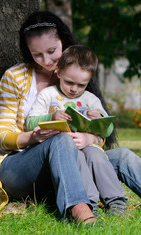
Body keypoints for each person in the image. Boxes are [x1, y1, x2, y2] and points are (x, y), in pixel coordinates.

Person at [0, 11, 141, 224]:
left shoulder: (77, 73)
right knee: (61, 141)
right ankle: (79, 209)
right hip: (19, 169)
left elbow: (97, 129)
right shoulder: (15, 77)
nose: (47, 60)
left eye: (52, 51)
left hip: (70, 165)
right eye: (37, 54)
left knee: (122, 156)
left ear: (63, 42)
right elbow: (2, 137)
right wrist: (34, 136)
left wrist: (92, 140)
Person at [26, 45, 127, 216]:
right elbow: (30, 123)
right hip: (62, 149)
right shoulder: (47, 95)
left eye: (81, 84)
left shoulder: (90, 99)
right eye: (69, 82)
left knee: (97, 156)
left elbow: (107, 130)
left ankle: (116, 201)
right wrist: (51, 117)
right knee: (77, 158)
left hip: (88, 145)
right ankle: (89, 203)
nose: (74, 89)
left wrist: (98, 118)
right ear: (58, 73)